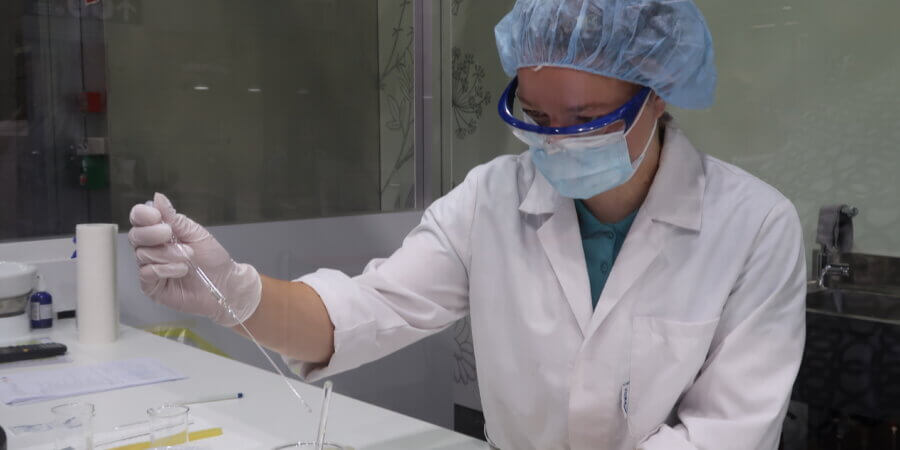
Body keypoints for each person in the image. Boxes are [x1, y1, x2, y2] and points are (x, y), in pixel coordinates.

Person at [128, 0, 806, 448]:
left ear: (655, 95)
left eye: (585, 120)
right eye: (538, 118)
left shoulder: (754, 226)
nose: (557, 142)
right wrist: (234, 293)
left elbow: (726, 432)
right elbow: (362, 313)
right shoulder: (492, 198)